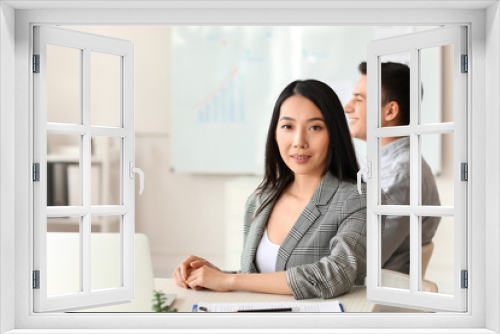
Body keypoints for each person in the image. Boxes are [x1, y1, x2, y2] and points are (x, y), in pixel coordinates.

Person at [173, 79, 367, 299]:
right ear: (275, 133)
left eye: (315, 127)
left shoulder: (358, 199)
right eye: (287, 126)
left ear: (334, 134)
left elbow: (335, 275)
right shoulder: (261, 198)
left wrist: (229, 280)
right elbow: (260, 278)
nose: (299, 141)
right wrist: (212, 276)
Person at [344, 61, 441, 274]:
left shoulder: (398, 175)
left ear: (390, 111)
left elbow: (357, 261)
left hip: (377, 297)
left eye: (359, 99)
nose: (347, 107)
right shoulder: (388, 165)